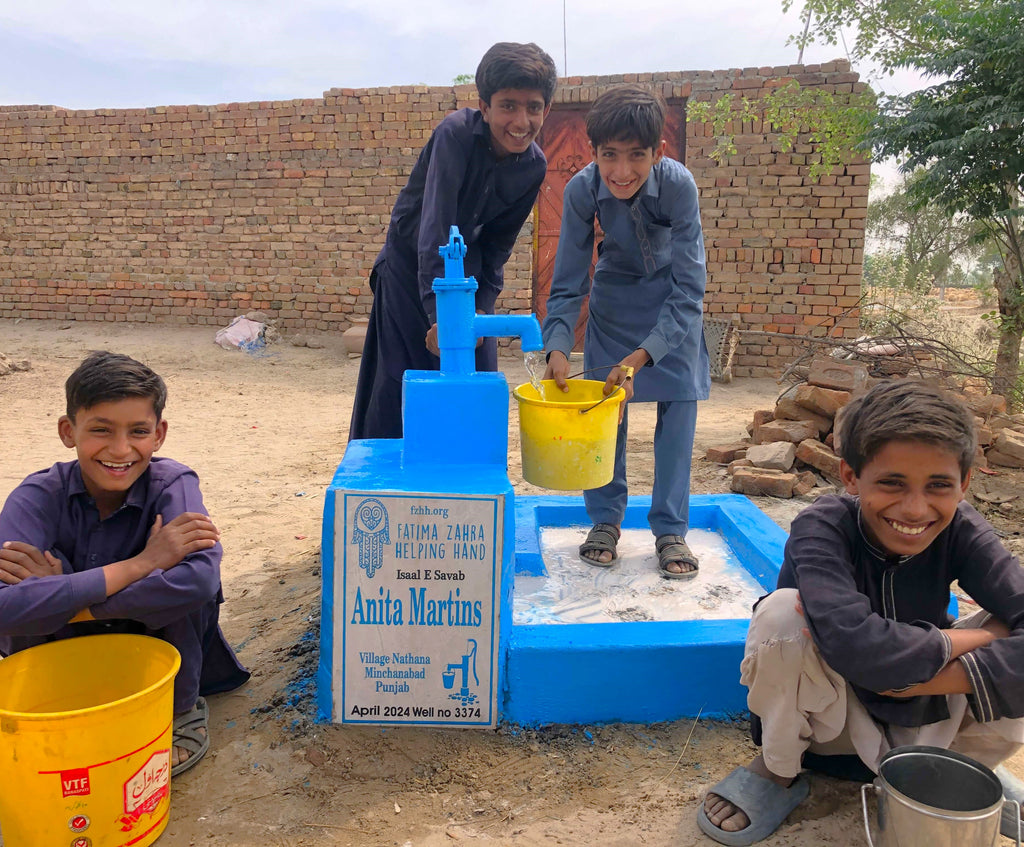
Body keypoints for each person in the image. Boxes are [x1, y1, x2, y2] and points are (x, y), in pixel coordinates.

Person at [698, 379, 1024, 846]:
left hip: (930, 710)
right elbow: (859, 648)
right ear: (851, 477)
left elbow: (881, 660)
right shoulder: (823, 526)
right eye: (892, 483)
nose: (915, 509)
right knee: (782, 615)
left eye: (938, 486)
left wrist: (916, 680)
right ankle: (777, 770)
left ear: (964, 484)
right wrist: (978, 638)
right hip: (833, 724)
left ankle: (964, 769)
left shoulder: (963, 529)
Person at [0, 351, 250, 778]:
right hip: (59, 661)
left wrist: (71, 599)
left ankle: (181, 710)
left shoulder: (172, 484)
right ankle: (56, 707)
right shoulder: (37, 497)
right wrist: (142, 564)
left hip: (150, 641)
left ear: (159, 434)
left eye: (138, 431)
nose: (120, 450)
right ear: (68, 431)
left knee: (180, 584)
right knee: (32, 598)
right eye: (101, 430)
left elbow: (199, 580)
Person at [349, 41, 559, 440]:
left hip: (469, 280)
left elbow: (498, 247)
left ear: (546, 110)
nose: (521, 121)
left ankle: (466, 473)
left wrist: (478, 310)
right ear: (485, 106)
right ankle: (390, 475)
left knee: (476, 381)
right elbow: (434, 228)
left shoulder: (533, 166)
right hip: (410, 270)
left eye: (533, 107)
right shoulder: (455, 135)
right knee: (399, 387)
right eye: (508, 106)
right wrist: (439, 317)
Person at [542, 84, 710, 578]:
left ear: (658, 151)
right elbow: (568, 279)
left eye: (636, 155)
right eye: (609, 155)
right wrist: (557, 345)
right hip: (614, 303)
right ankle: (605, 521)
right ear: (593, 152)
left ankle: (671, 530)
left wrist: (643, 355)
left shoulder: (679, 186)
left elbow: (690, 286)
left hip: (672, 306)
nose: (621, 171)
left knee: (677, 411)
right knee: (605, 415)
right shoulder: (581, 190)